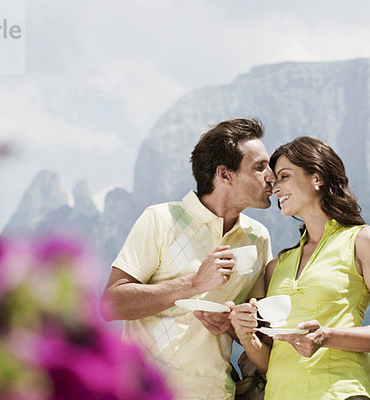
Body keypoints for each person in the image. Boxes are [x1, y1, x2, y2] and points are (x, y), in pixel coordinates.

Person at [100, 117, 276, 399]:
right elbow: (111, 304)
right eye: (259, 167)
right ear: (225, 175)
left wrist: (232, 325)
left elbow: (261, 330)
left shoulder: (258, 237)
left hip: (216, 393)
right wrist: (193, 283)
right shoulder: (160, 220)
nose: (271, 175)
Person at [230, 136, 370, 400]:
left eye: (284, 176)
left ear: (317, 178)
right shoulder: (277, 266)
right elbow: (271, 361)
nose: (274, 187)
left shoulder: (362, 241)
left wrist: (327, 336)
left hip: (340, 393)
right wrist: (246, 335)